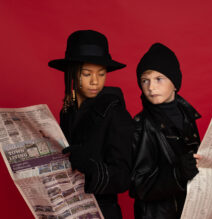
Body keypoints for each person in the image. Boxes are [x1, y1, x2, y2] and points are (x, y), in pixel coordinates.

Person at [48, 30, 134, 219]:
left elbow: (124, 177)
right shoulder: (67, 110)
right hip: (68, 209)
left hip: (102, 212)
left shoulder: (115, 113)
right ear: (72, 73)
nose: (95, 81)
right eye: (87, 74)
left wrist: (91, 166)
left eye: (101, 74)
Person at [130, 43, 202, 219]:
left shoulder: (187, 116)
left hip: (190, 211)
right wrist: (177, 173)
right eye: (145, 80)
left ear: (175, 83)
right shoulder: (140, 125)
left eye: (158, 79)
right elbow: (137, 185)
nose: (151, 87)